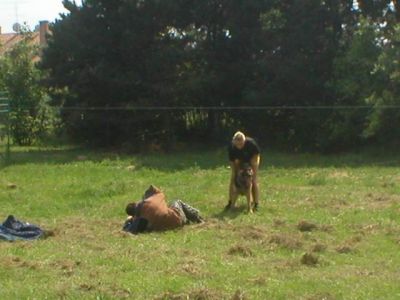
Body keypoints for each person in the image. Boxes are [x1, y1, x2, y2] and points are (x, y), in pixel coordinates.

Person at [123, 185, 204, 234]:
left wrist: (128, 221)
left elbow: (130, 230)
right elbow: (152, 188)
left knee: (171, 208)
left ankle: (187, 219)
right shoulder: (156, 196)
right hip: (177, 220)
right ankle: (198, 217)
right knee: (176, 201)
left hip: (164, 228)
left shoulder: (140, 218)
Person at [226, 131, 261, 211]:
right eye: (237, 144)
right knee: (233, 178)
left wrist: (252, 169)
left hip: (252, 158)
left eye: (242, 144)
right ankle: (231, 202)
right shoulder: (232, 147)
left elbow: (256, 156)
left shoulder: (251, 144)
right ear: (234, 142)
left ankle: (256, 203)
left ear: (244, 141)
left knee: (254, 179)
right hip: (239, 159)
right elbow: (232, 162)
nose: (240, 146)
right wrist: (236, 172)